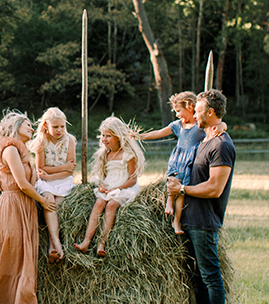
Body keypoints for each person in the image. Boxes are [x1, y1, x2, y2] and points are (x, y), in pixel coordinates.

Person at [0, 111, 58, 304]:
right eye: (28, 125)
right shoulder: (10, 149)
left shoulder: (21, 151)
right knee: (8, 260)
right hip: (12, 206)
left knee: (21, 261)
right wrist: (42, 201)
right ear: (15, 126)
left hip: (24, 206)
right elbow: (21, 183)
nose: (32, 128)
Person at [167, 89, 235, 304]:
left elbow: (215, 188)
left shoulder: (222, 145)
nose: (194, 115)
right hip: (190, 217)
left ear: (211, 112)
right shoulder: (206, 138)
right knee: (197, 276)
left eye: (197, 111)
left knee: (211, 276)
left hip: (204, 221)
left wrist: (182, 188)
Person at [138, 92, 225, 235]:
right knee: (172, 181)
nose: (177, 114)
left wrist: (222, 125)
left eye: (179, 111)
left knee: (181, 191)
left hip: (189, 162)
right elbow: (159, 132)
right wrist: (139, 136)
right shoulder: (178, 125)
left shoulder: (200, 124)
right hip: (177, 159)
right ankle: (168, 203)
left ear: (190, 107)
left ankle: (176, 221)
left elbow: (217, 122)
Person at [73, 116, 144, 258]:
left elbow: (133, 179)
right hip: (110, 186)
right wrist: (102, 185)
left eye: (108, 136)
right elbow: (104, 177)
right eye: (103, 135)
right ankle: (86, 242)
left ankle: (102, 243)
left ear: (118, 136)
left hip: (125, 188)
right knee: (99, 203)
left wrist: (118, 188)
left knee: (111, 205)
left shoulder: (128, 155)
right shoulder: (105, 154)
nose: (104, 139)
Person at [29, 107, 76, 263]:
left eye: (62, 126)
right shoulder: (42, 142)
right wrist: (61, 168)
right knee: (49, 201)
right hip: (46, 182)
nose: (59, 130)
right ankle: (56, 242)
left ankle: (52, 246)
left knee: (58, 205)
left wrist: (52, 173)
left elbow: (70, 171)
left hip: (63, 181)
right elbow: (41, 168)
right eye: (55, 127)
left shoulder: (70, 141)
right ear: (45, 126)